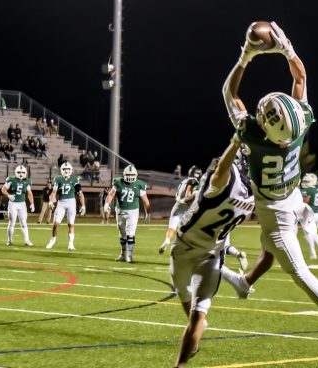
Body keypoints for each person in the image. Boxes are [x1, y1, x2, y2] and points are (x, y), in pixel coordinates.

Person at [221, 22, 318, 363]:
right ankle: (244, 283)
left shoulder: (254, 135)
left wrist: (246, 56)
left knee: (299, 272)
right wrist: (287, 49)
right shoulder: (301, 120)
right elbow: (300, 77)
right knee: (268, 250)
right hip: (293, 196)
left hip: (277, 211)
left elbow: (229, 93)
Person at [168, 138, 255, 367]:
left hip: (186, 246)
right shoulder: (255, 197)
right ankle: (182, 362)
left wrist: (236, 141)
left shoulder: (221, 179)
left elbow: (221, 172)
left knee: (186, 296)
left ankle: (182, 361)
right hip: (213, 253)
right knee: (197, 313)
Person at [103, 164, 150, 263]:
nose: (130, 177)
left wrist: (147, 213)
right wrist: (106, 204)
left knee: (130, 234)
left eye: (132, 175)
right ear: (124, 175)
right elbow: (111, 194)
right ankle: (123, 254)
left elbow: (146, 201)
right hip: (120, 211)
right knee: (122, 235)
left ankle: (129, 255)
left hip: (133, 212)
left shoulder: (139, 184)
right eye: (128, 175)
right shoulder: (118, 182)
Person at [46, 162, 86, 251]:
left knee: (71, 224)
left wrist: (83, 205)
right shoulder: (58, 179)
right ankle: (53, 239)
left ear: (71, 170)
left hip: (71, 202)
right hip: (61, 203)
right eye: (64, 169)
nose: (66, 171)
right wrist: (51, 201)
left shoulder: (75, 179)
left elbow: (80, 193)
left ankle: (71, 244)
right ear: (61, 170)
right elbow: (54, 192)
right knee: (56, 223)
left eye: (68, 169)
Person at [162, 166, 202, 251]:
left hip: (177, 205)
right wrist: (193, 196)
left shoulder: (185, 180)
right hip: (187, 207)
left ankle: (167, 240)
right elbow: (188, 194)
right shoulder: (193, 181)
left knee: (172, 227)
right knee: (189, 229)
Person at [1, 165, 35, 246]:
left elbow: (30, 194)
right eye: (19, 172)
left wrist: (32, 203)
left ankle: (26, 240)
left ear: (25, 173)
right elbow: (3, 190)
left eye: (23, 172)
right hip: (13, 203)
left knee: (24, 223)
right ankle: (9, 240)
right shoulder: (11, 180)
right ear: (16, 172)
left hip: (22, 204)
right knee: (12, 222)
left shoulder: (27, 181)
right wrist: (8, 195)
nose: (21, 174)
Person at [300, 173, 318, 259]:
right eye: (305, 181)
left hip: (310, 214)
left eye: (307, 181)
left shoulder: (308, 190)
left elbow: (305, 202)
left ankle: (313, 253)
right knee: (314, 233)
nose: (305, 183)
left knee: (308, 234)